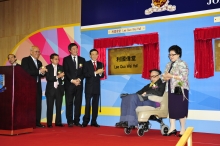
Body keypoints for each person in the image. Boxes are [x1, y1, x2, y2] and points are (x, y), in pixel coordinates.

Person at [162, 45, 189, 137]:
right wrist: (164, 77)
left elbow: (184, 77)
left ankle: (182, 129)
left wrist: (171, 76)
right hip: (170, 89)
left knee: (181, 109)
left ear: (178, 54)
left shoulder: (182, 63)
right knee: (172, 109)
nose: (171, 56)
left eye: (173, 54)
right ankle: (172, 128)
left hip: (180, 89)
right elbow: (164, 77)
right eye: (169, 55)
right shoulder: (168, 65)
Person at [21, 46, 47, 128]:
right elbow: (26, 71)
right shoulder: (25, 60)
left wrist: (43, 72)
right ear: (31, 52)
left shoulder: (39, 62)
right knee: (28, 105)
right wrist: (39, 71)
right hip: (28, 86)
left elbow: (42, 75)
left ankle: (37, 123)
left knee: (38, 105)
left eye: (39, 52)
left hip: (37, 86)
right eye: (36, 51)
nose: (37, 53)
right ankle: (28, 122)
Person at [63, 43, 86, 127]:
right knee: (69, 103)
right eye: (73, 49)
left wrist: (79, 80)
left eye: (76, 48)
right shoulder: (66, 59)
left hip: (79, 84)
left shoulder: (82, 60)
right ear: (70, 50)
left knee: (78, 102)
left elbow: (84, 72)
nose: (75, 50)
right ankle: (70, 121)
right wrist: (72, 80)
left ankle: (77, 120)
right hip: (69, 84)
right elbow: (66, 71)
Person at [82, 49, 104, 127]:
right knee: (88, 105)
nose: (94, 56)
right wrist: (95, 72)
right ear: (90, 55)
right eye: (93, 54)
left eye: (96, 54)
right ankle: (85, 121)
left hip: (97, 87)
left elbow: (102, 76)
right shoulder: (86, 64)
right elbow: (85, 74)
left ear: (98, 55)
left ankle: (94, 121)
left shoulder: (100, 64)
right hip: (89, 87)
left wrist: (101, 73)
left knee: (95, 105)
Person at [45, 53, 65, 128]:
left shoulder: (61, 67)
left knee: (59, 107)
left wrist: (62, 77)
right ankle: (49, 123)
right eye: (56, 59)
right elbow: (48, 78)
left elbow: (63, 78)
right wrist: (58, 76)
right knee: (50, 107)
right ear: (51, 60)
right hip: (50, 90)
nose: (57, 60)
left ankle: (58, 122)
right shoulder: (47, 67)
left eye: (58, 59)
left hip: (59, 90)